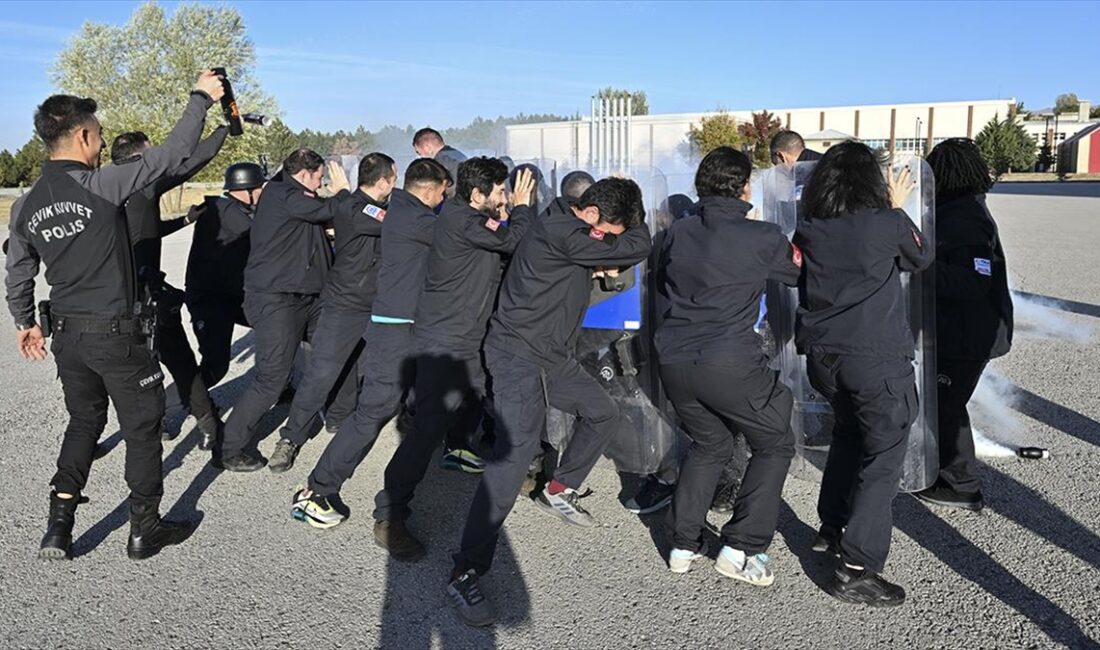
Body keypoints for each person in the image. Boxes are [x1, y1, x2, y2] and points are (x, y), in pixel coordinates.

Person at [4, 70, 225, 560]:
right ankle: (145, 528)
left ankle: (58, 526)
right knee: (143, 428)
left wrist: (25, 322)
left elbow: (17, 271)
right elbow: (168, 156)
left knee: (83, 422)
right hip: (119, 337)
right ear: (82, 135)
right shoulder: (103, 185)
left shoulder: (25, 205)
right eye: (99, 135)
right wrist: (200, 100)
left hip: (68, 339)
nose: (102, 144)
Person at [447, 177, 652, 627]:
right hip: (518, 355)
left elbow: (606, 250)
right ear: (594, 215)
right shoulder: (561, 230)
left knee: (603, 411)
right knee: (516, 452)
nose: (611, 240)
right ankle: (465, 569)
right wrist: (630, 234)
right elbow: (634, 247)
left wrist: (602, 255)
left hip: (550, 356)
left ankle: (559, 488)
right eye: (610, 230)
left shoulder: (570, 227)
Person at [369, 159, 534, 561]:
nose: (505, 198)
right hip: (444, 343)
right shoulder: (463, 221)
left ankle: (501, 461)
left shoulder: (469, 217)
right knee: (426, 429)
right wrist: (524, 208)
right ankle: (389, 515)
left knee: (488, 398)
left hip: (466, 340)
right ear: (478, 195)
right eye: (500, 192)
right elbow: (516, 241)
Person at [793, 140, 932, 607]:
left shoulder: (809, 227)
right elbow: (920, 256)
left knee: (849, 438)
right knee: (882, 460)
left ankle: (831, 527)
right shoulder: (886, 223)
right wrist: (897, 207)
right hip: (874, 360)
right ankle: (856, 567)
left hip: (824, 359)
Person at [654, 147, 800, 585]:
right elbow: (798, 274)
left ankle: (683, 543)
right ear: (743, 187)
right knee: (775, 442)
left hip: (675, 363)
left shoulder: (678, 233)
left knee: (711, 444)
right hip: (729, 361)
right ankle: (742, 547)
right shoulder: (762, 236)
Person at [290, 158, 452, 528]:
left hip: (400, 326)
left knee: (396, 407)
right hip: (393, 330)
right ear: (428, 189)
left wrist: (346, 191)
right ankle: (317, 491)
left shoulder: (398, 207)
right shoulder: (415, 218)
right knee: (373, 411)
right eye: (444, 190)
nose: (445, 197)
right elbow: (456, 236)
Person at [216, 149, 358, 472]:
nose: (322, 183)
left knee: (335, 350)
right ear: (305, 174)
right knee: (271, 378)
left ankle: (338, 416)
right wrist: (343, 191)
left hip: (310, 297)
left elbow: (320, 220)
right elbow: (331, 206)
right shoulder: (283, 193)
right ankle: (229, 447)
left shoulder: (294, 198)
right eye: (320, 177)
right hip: (277, 299)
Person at [267, 153, 397, 473]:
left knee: (358, 365)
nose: (397, 183)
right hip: (346, 304)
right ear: (382, 182)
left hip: (377, 303)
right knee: (322, 372)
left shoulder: (379, 206)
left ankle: (340, 417)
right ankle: (291, 437)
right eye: (394, 178)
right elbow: (390, 224)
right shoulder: (355, 207)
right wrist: (343, 191)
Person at [112, 127, 228, 448]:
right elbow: (195, 159)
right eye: (150, 154)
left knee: (139, 370)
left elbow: (143, 231)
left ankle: (156, 425)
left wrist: (184, 221)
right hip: (149, 297)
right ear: (139, 157)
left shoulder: (103, 188)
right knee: (182, 363)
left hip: (115, 301)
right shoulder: (144, 182)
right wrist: (225, 128)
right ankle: (210, 430)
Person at [915, 138, 1013, 511]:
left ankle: (961, 484)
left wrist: (921, 267)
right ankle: (946, 473)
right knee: (943, 403)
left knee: (947, 405)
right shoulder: (957, 209)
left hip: (968, 334)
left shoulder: (966, 218)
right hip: (958, 330)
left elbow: (975, 280)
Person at [184, 162, 264, 399]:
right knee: (215, 366)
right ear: (246, 189)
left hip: (230, 296)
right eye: (259, 187)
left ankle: (279, 383)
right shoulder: (227, 211)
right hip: (210, 301)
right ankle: (164, 410)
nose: (262, 192)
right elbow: (262, 234)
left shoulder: (230, 207)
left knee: (278, 327)